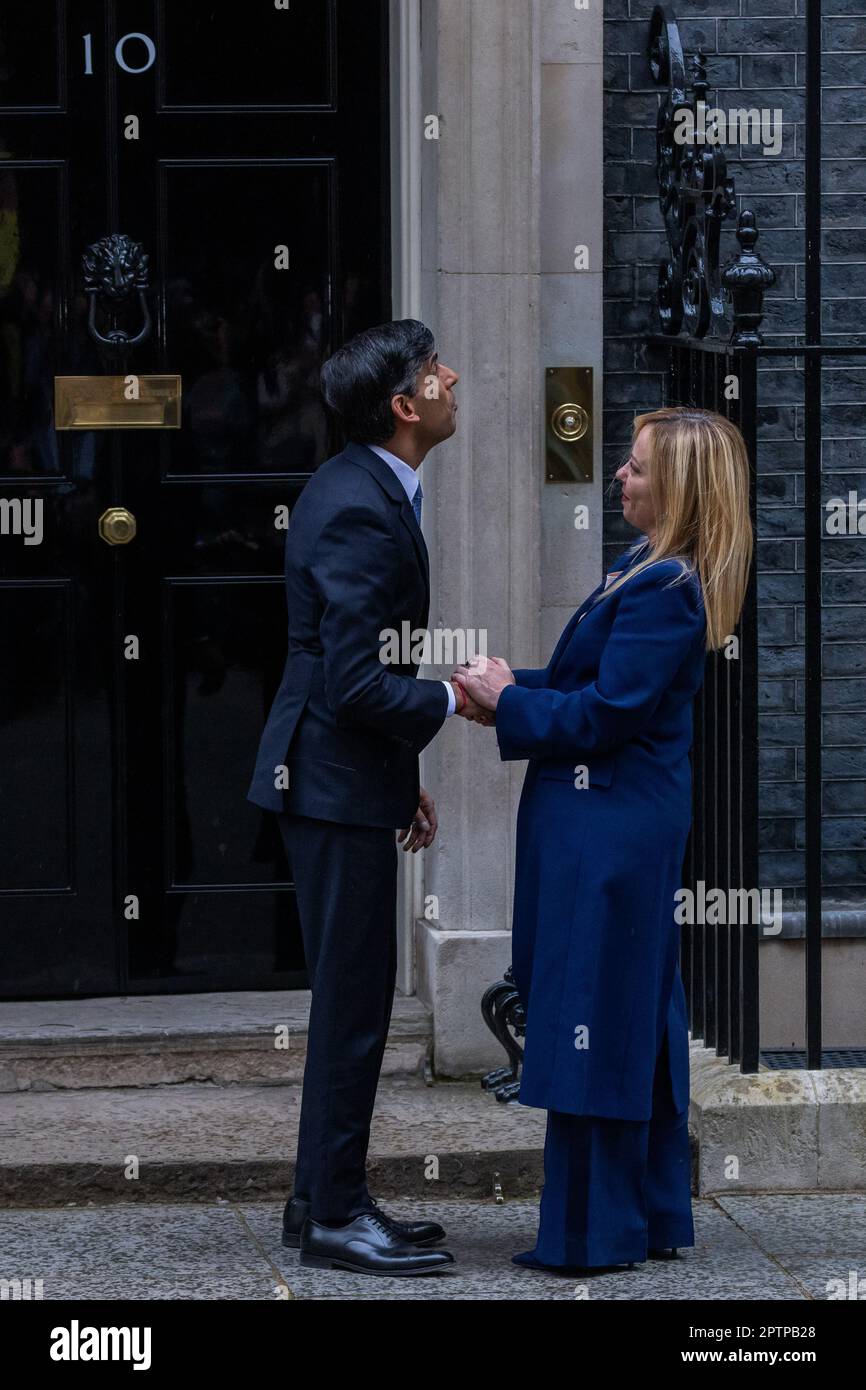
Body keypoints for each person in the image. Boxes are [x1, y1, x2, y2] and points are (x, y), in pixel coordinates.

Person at [453, 406, 753, 1272]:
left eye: (636, 468)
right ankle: (650, 1213)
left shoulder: (664, 588)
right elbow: (593, 684)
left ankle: (589, 1235)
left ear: (680, 491)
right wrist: (506, 688)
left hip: (611, 829)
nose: (618, 476)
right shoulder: (647, 569)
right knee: (634, 1010)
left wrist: (509, 702)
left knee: (592, 1008)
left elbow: (608, 717)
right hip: (615, 819)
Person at [247, 319, 487, 1277]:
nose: (452, 376)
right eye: (437, 371)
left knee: (351, 1003)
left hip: (349, 780)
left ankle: (320, 1203)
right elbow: (353, 683)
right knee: (353, 1011)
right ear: (404, 405)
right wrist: (452, 695)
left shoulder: (371, 487)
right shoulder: (357, 503)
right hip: (328, 780)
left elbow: (359, 670)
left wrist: (404, 777)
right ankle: (337, 1214)